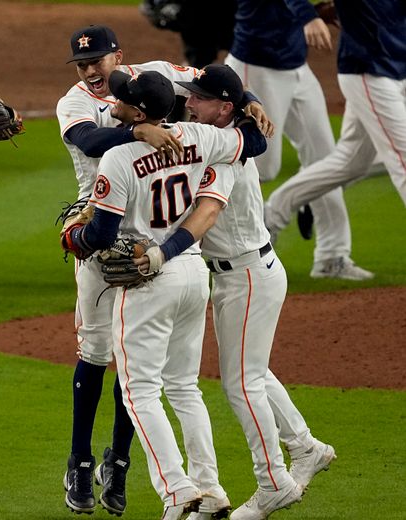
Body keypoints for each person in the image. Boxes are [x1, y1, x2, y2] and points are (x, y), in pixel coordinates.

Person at [56, 24, 272, 516]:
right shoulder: (76, 104)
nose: (90, 72)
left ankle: (126, 464)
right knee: (100, 353)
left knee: (139, 377)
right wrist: (141, 129)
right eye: (82, 64)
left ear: (120, 59)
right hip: (166, 249)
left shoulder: (154, 81)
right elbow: (91, 140)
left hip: (114, 236)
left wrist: (247, 98)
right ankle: (81, 461)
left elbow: (212, 82)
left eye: (97, 62)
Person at [152, 64, 335, 520]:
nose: (189, 102)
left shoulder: (226, 153)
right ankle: (306, 447)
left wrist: (162, 254)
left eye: (199, 98)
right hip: (244, 274)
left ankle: (272, 482)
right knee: (252, 372)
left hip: (247, 276)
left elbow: (207, 216)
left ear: (224, 108)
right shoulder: (222, 132)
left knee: (241, 384)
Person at [224, 0, 373, 281]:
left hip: (297, 67)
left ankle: (332, 255)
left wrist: (313, 12)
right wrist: (307, 16)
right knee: (261, 168)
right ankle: (222, 246)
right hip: (256, 68)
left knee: (327, 161)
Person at [264, 0, 405, 240]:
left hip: (400, 65)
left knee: (351, 161)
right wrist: (308, 16)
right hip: (369, 72)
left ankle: (274, 211)